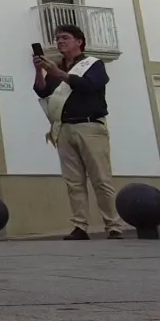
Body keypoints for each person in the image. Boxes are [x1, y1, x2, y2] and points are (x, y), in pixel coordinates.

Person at [33, 24, 122, 239]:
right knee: (73, 181)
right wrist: (40, 70)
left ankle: (113, 225)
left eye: (65, 38)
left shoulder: (93, 64)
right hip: (64, 127)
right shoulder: (57, 66)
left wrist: (60, 74)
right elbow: (42, 90)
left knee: (100, 178)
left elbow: (89, 86)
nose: (60, 42)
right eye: (58, 38)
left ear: (79, 41)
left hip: (90, 126)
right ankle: (80, 226)